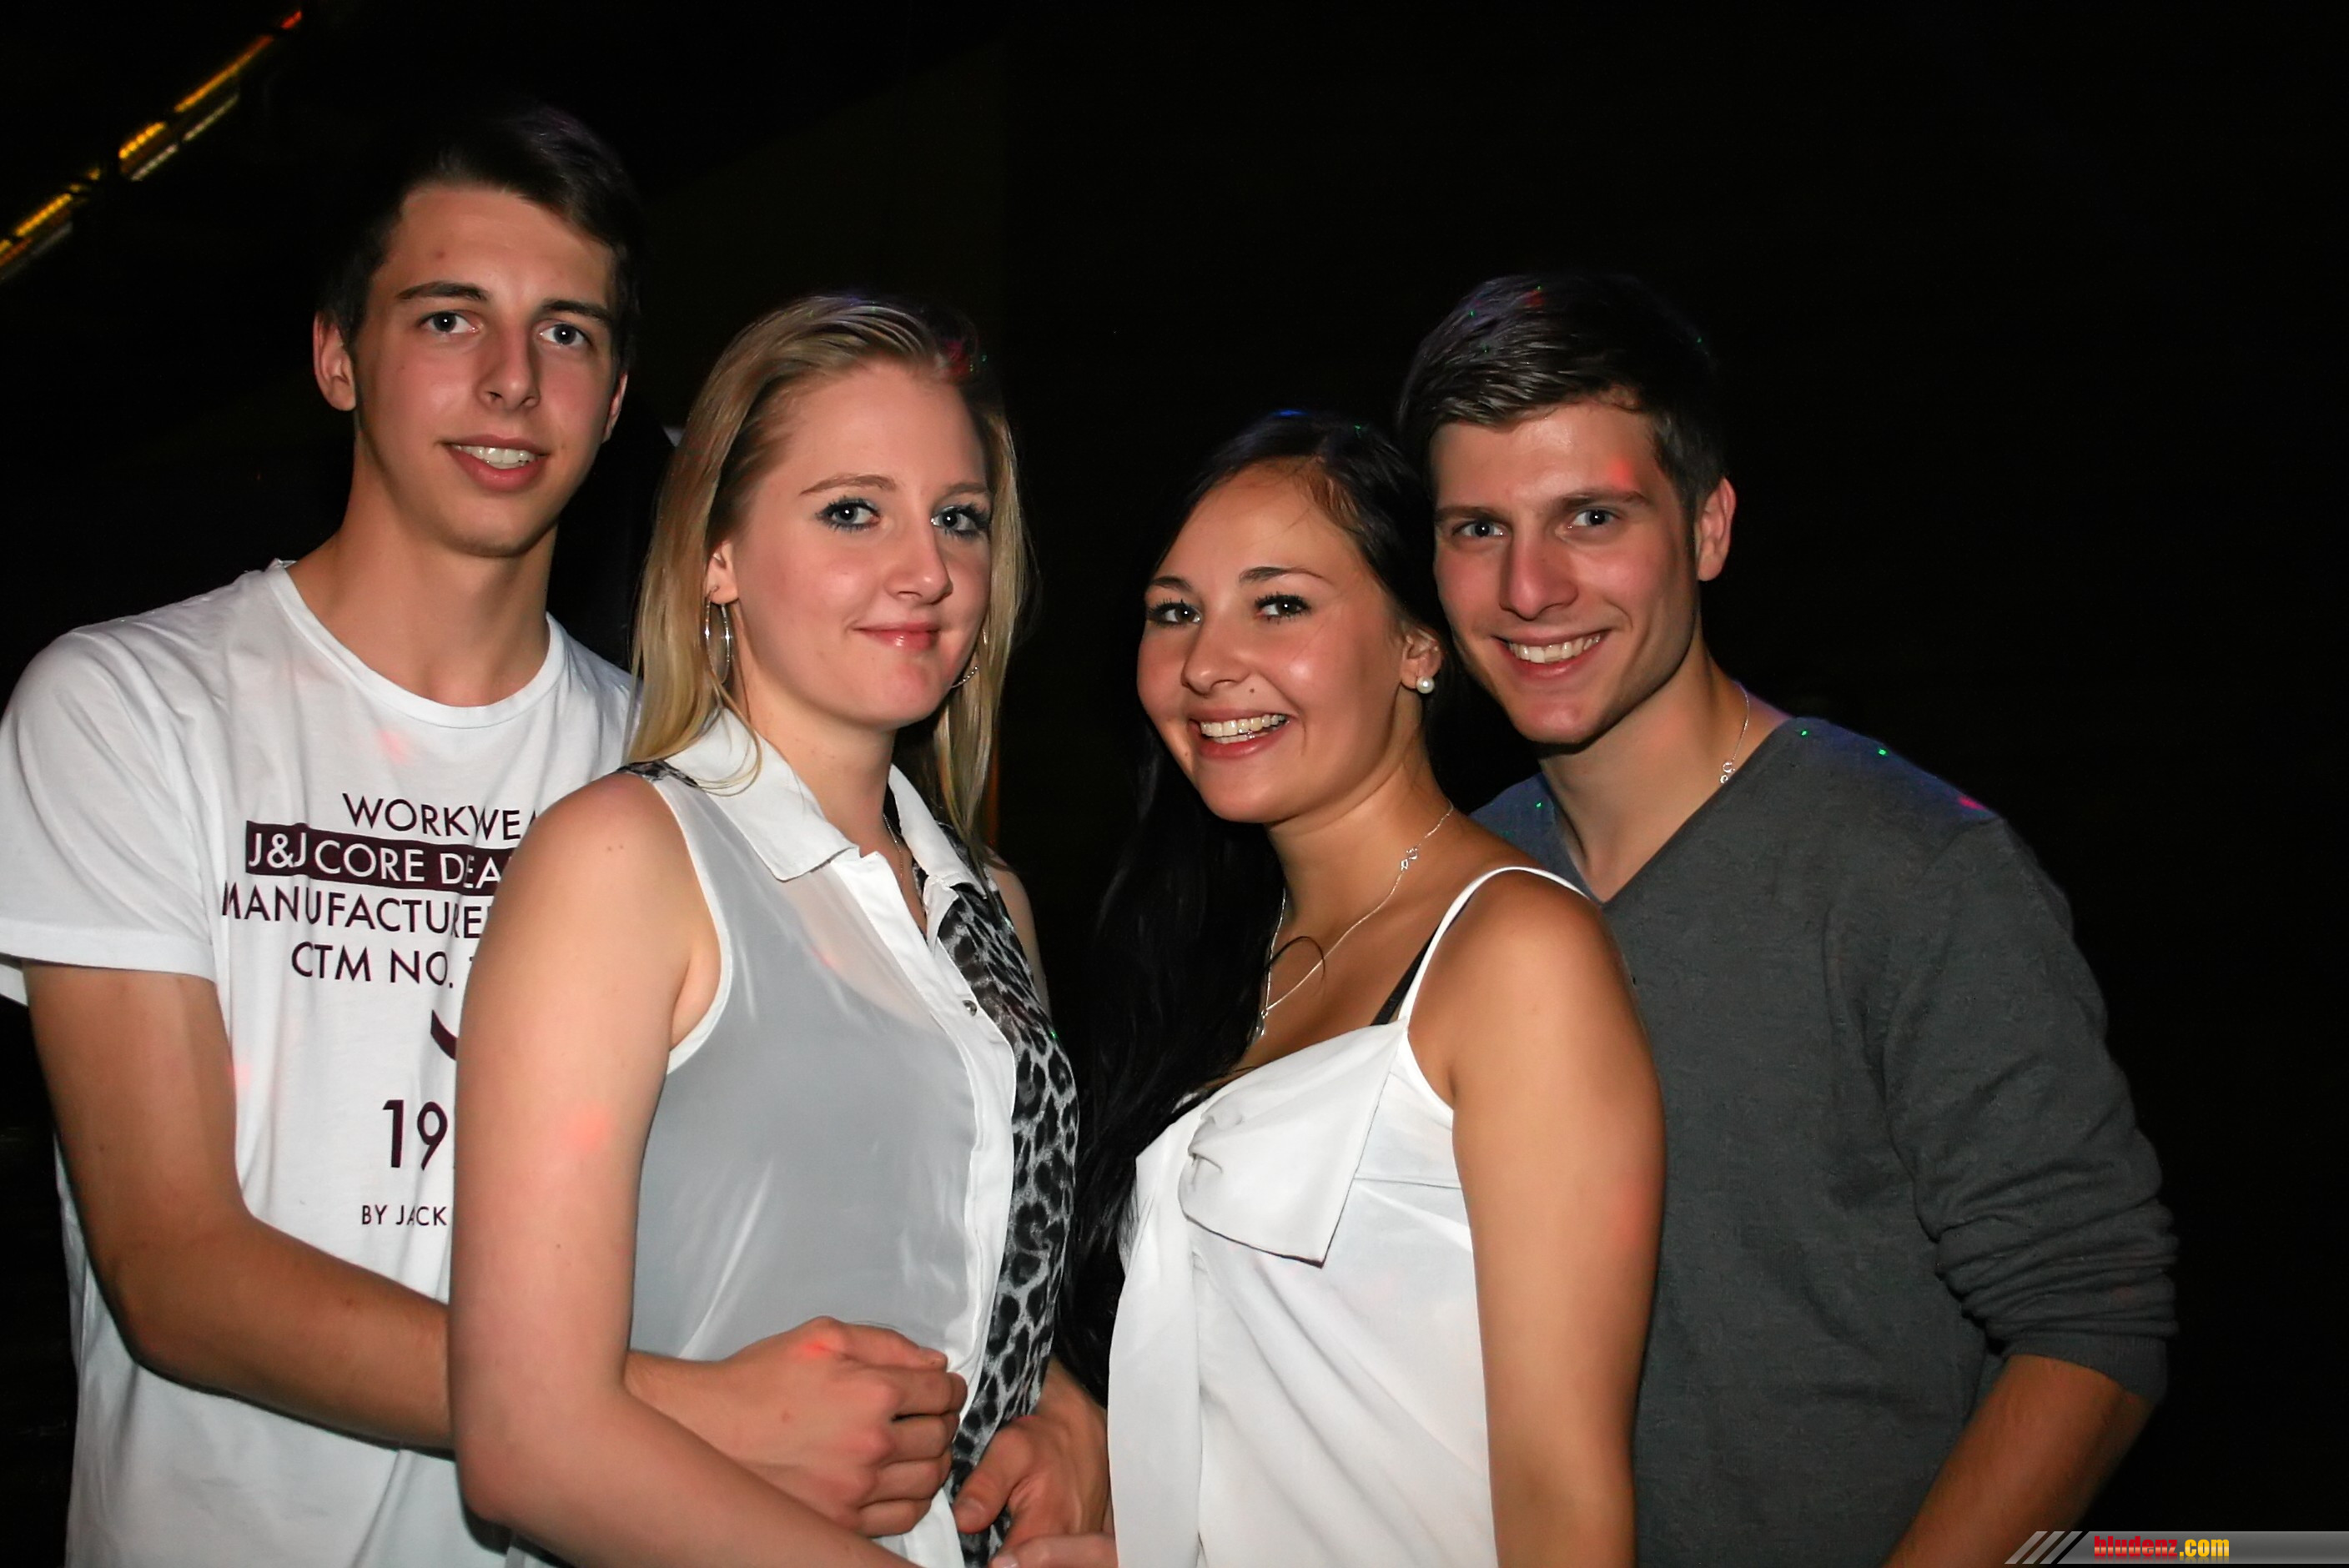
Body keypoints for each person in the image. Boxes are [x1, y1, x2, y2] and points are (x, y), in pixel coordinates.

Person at [0, 108, 971, 1567]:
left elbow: (857, 1143)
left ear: (618, 393)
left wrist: (1035, 1392)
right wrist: (681, 1413)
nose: (513, 379)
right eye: (450, 317)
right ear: (338, 355)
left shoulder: (682, 772)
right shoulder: (131, 707)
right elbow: (176, 1269)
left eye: (568, 332)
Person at [1398, 271, 2179, 1567]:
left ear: (1708, 528)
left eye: (1592, 516)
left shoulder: (1914, 872)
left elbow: (2092, 1320)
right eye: (1479, 528)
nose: (1530, 588)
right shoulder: (1451, 888)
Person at [448, 294, 1103, 1568]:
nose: (926, 570)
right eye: (853, 511)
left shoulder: (991, 904)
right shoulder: (626, 862)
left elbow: (963, 1279)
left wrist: (1060, 1413)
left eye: (959, 518)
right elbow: (525, 1437)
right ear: (719, 556)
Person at [1055, 412, 1662, 1568]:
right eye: (1174, 612)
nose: (1207, 663)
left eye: (1280, 605)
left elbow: (1566, 1500)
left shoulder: (1514, 953)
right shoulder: (1218, 955)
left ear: (1417, 647)